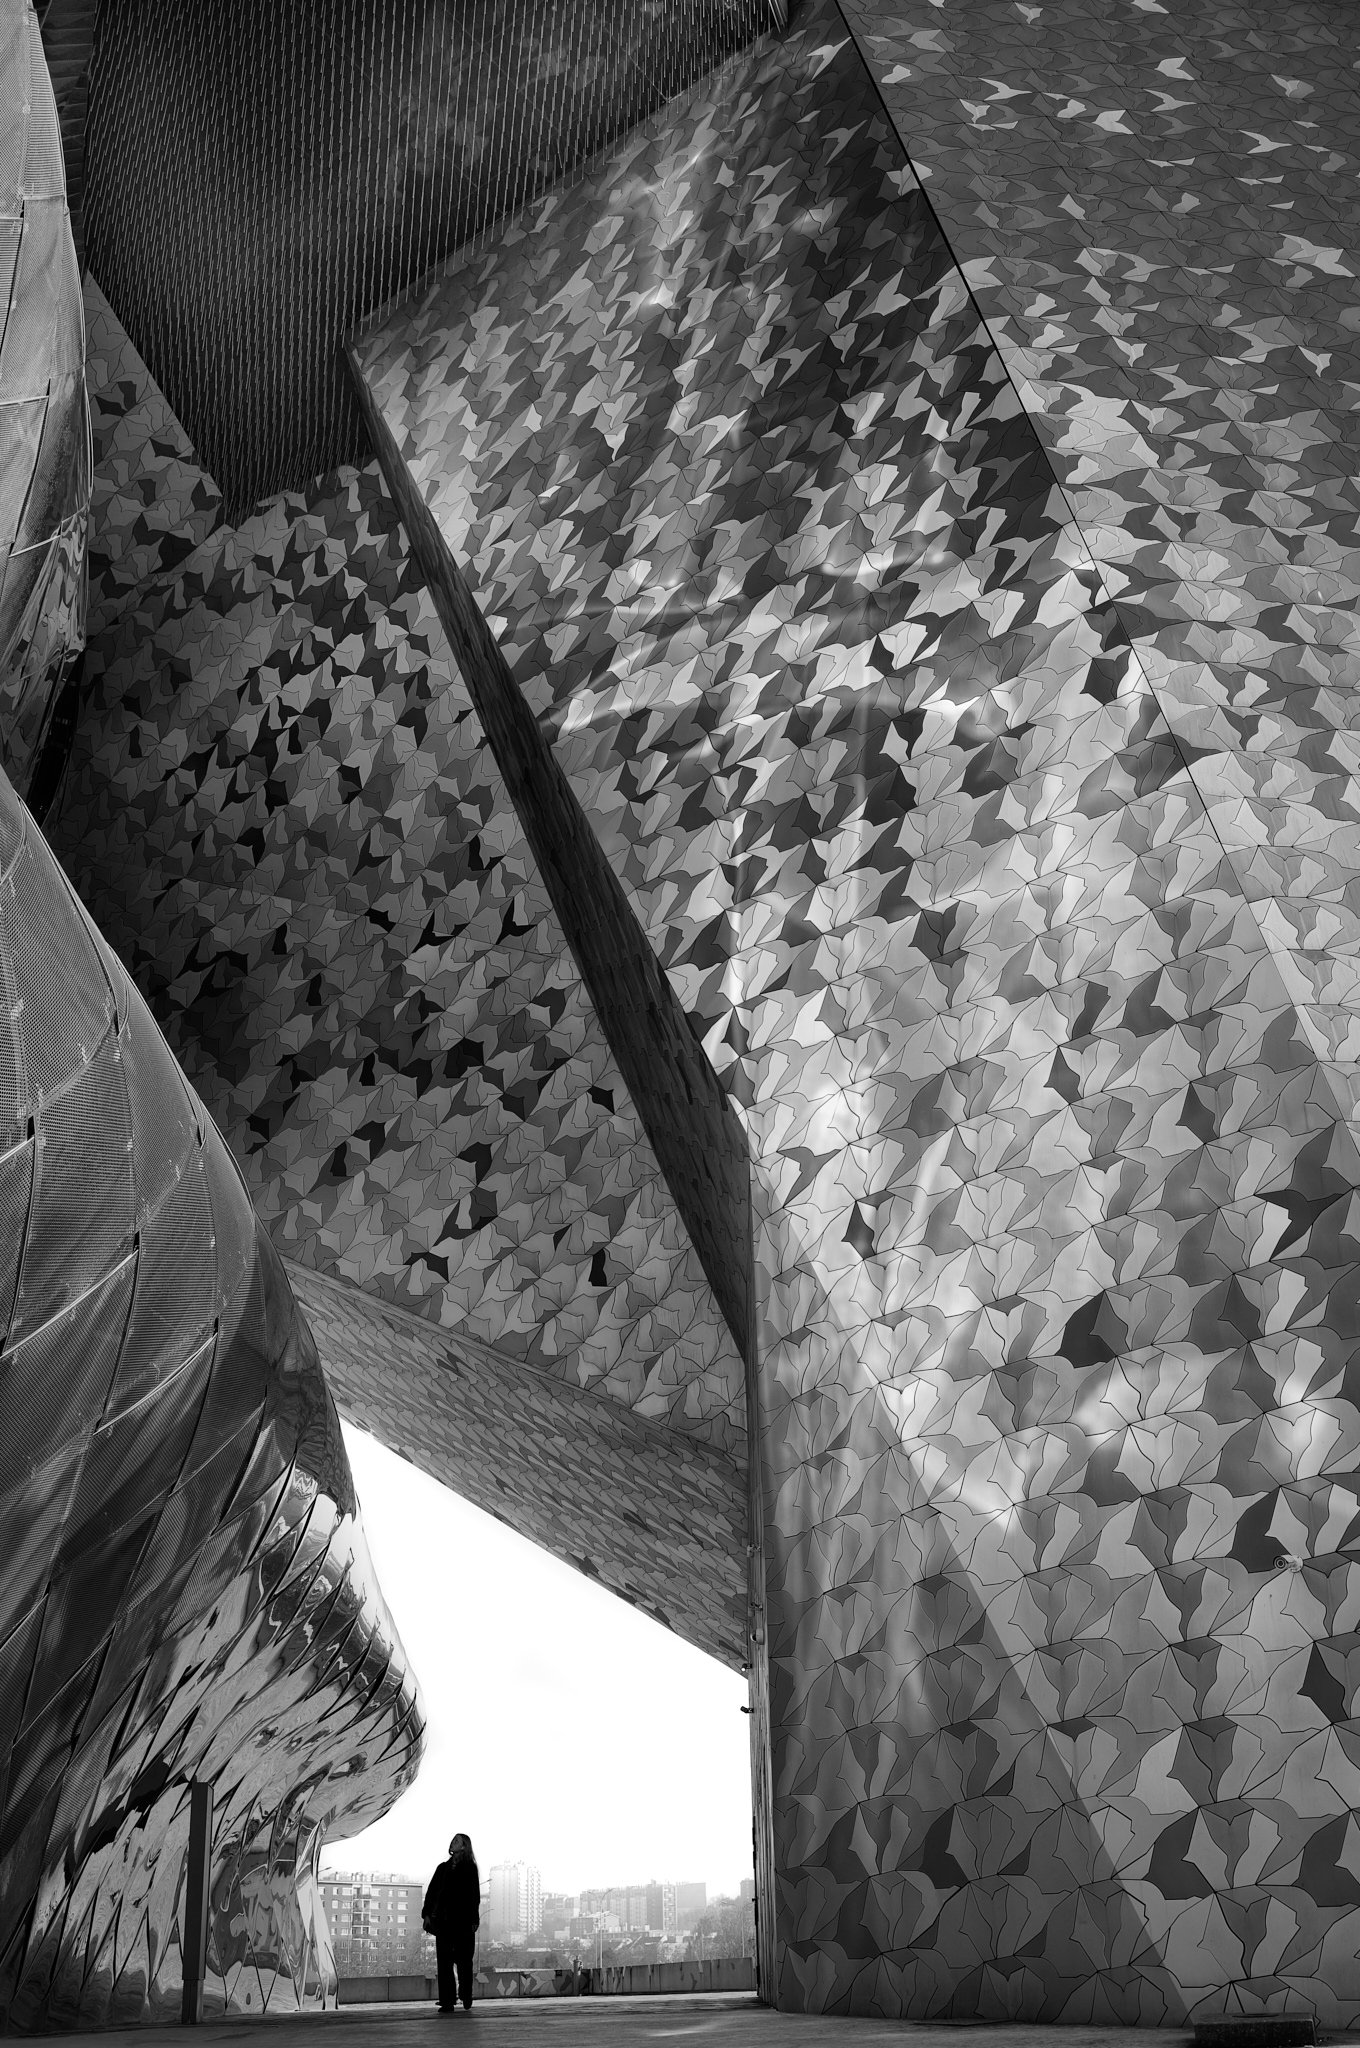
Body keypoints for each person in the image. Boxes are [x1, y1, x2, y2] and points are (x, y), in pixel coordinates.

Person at [422, 1834, 480, 2012]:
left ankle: (465, 1995)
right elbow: (431, 1892)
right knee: (445, 1963)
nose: (452, 1842)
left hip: (463, 1923)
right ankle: (447, 2001)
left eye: (457, 1841)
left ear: (464, 1847)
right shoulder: (442, 1869)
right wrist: (427, 1914)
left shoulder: (470, 1868)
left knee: (464, 1962)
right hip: (444, 1923)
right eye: (453, 1840)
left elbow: (473, 1896)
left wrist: (474, 1919)